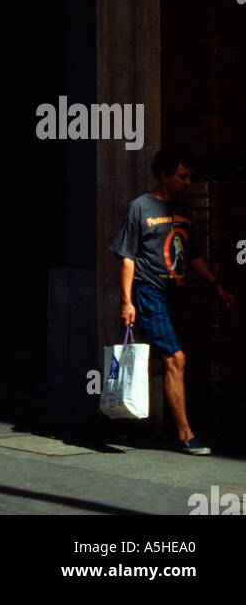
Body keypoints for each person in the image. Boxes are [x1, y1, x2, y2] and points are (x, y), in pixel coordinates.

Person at [109, 145, 235, 454]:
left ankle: (118, 415)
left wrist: (216, 285)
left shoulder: (184, 212)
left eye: (190, 178)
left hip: (176, 294)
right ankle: (185, 434)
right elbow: (127, 258)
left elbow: (192, 256)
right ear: (164, 175)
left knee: (156, 360)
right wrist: (127, 302)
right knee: (176, 359)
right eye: (182, 177)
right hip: (149, 293)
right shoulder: (140, 207)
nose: (187, 183)